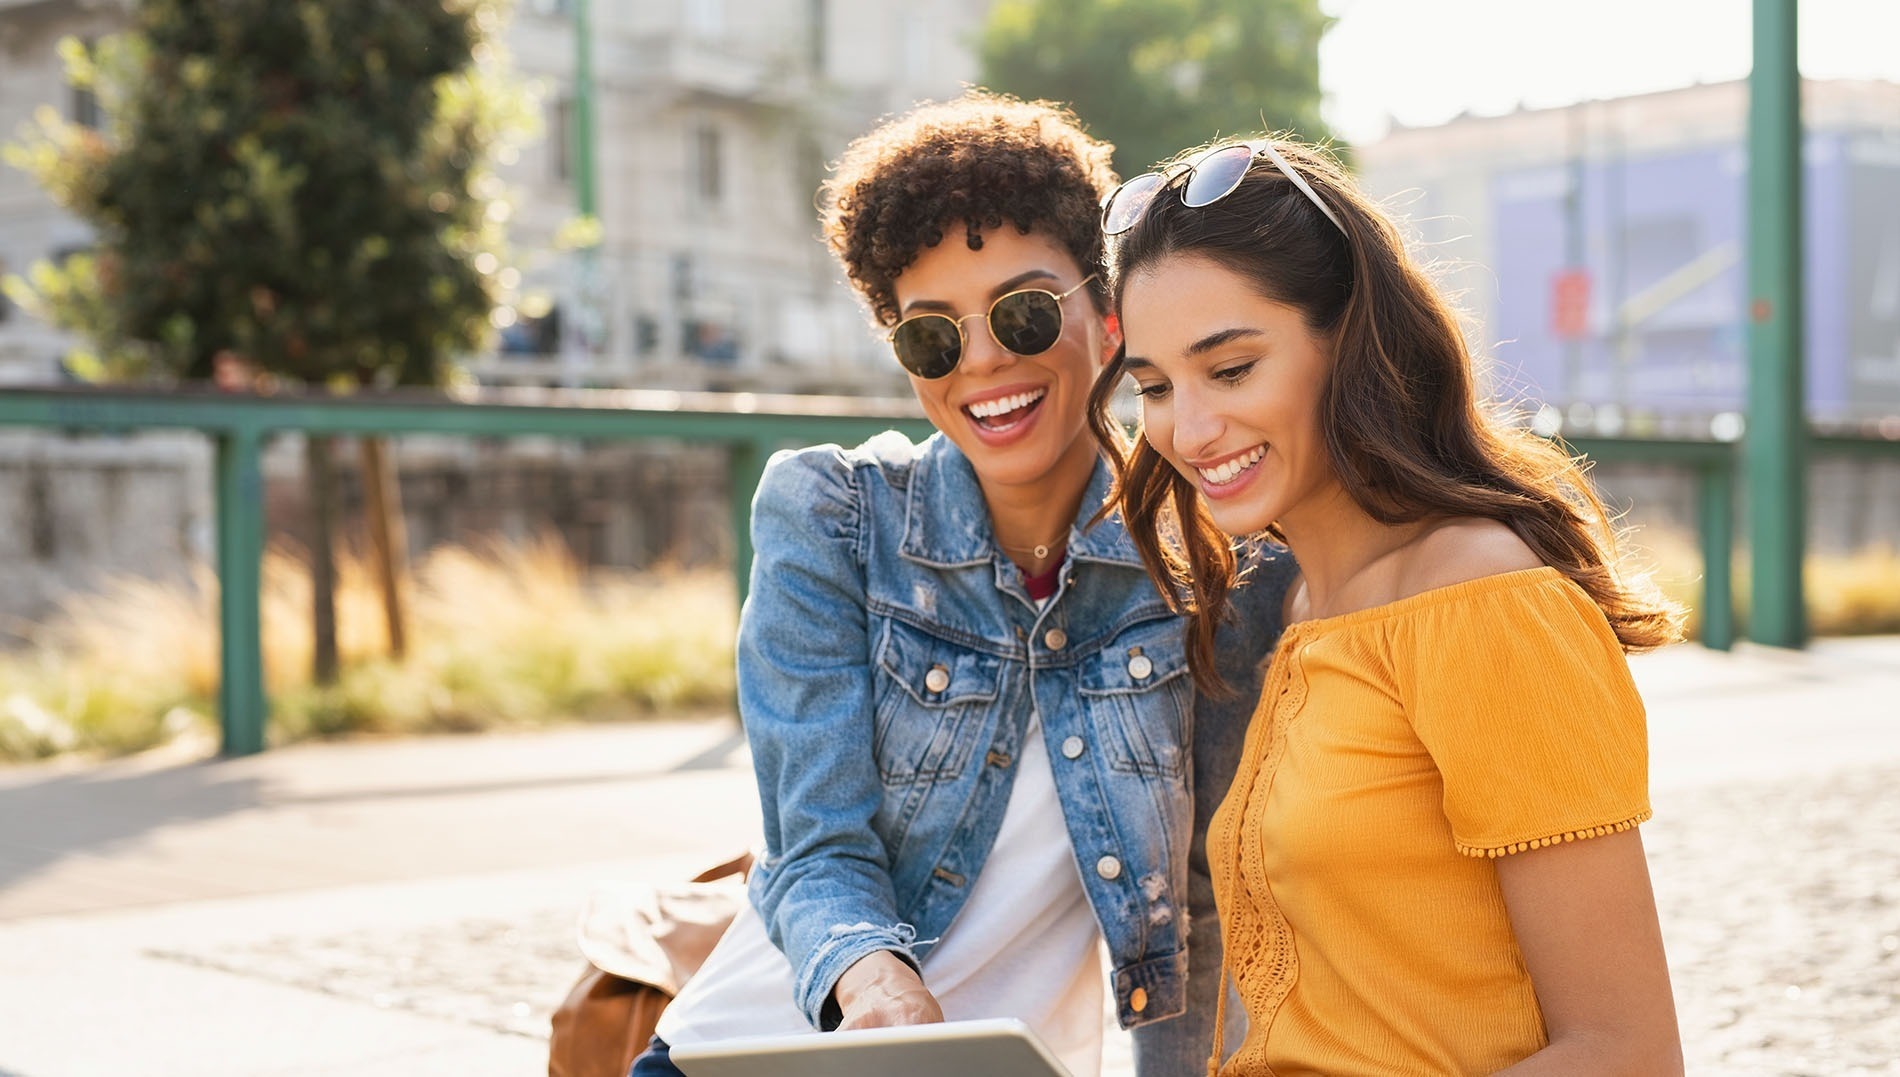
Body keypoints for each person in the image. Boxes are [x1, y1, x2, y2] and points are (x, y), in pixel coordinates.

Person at [628, 95, 1292, 1077]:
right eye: (931, 335)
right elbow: (814, 851)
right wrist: (878, 985)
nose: (981, 360)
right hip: (770, 1049)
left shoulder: (1215, 567)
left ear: (1107, 319)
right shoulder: (828, 516)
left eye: (1022, 314)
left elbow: (1203, 904)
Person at [1091, 136, 1687, 1075]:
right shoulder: (1292, 607)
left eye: (1233, 368)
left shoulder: (1485, 600)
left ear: (1349, 344)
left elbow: (1627, 1051)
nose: (1189, 429)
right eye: (1156, 388)